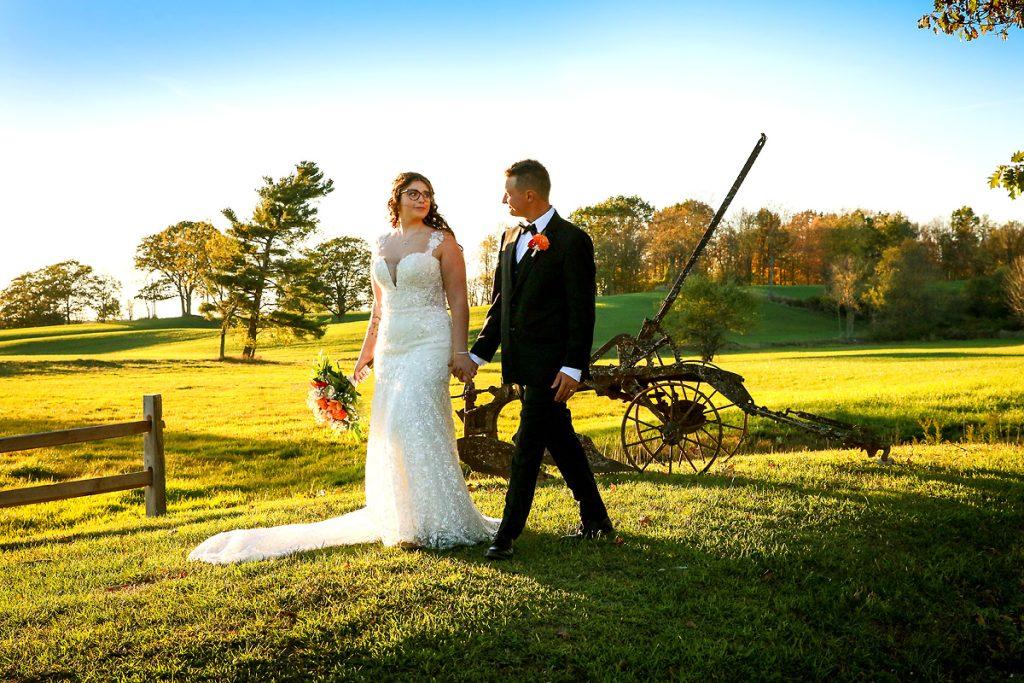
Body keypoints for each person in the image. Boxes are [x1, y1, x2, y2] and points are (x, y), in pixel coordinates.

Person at [188, 172, 497, 564]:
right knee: (393, 430)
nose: (422, 200)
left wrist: (459, 352)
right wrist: (364, 356)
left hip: (430, 342)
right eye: (413, 193)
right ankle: (407, 521)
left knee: (414, 421)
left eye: (428, 195)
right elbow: (378, 309)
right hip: (392, 348)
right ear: (397, 198)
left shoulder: (443, 242)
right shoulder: (381, 243)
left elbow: (459, 300)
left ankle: (439, 520)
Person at [469, 159, 613, 561]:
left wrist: (573, 367)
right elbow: (501, 306)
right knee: (562, 442)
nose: (504, 199)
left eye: (508, 192)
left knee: (527, 445)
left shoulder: (571, 240)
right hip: (522, 362)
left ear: (529, 194)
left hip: (553, 368)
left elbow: (581, 311)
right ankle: (597, 519)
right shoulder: (508, 237)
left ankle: (506, 534)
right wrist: (479, 353)